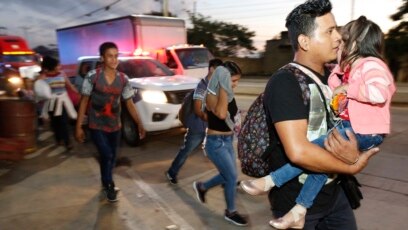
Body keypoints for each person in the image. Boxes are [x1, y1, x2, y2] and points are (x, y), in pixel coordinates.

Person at [240, 15, 395, 229]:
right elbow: (300, 153)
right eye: (329, 32)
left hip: (335, 194)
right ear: (305, 42)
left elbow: (361, 112)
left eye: (339, 34)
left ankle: (289, 200)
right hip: (292, 195)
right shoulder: (286, 81)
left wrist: (351, 156)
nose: (337, 38)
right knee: (320, 146)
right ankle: (275, 186)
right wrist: (351, 164)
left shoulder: (336, 75)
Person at [75, 42, 146, 202]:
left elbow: (129, 103)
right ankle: (109, 185)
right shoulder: (92, 77)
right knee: (106, 155)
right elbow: (84, 101)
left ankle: (104, 180)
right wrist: (79, 126)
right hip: (96, 125)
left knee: (111, 157)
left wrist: (139, 123)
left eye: (116, 56)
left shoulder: (123, 79)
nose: (114, 59)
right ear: (102, 58)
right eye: (110, 56)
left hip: (115, 125)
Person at [192, 61, 248, 226]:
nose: (235, 85)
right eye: (233, 81)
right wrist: (224, 86)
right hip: (215, 144)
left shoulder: (227, 93)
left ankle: (202, 187)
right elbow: (222, 114)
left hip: (228, 141)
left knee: (228, 175)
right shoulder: (212, 93)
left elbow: (230, 116)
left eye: (237, 81)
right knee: (231, 177)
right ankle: (230, 212)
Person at [165, 58, 223, 184]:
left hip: (210, 127)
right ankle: (171, 172)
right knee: (186, 150)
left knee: (219, 151)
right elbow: (197, 110)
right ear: (212, 69)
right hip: (198, 127)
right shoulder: (201, 87)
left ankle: (226, 176)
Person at [41, 56, 78, 150]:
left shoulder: (62, 74)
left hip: (62, 102)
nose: (59, 66)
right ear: (52, 66)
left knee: (63, 122)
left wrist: (79, 93)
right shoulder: (43, 77)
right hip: (51, 103)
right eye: (57, 65)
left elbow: (69, 86)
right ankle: (58, 139)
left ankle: (67, 142)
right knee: (55, 123)